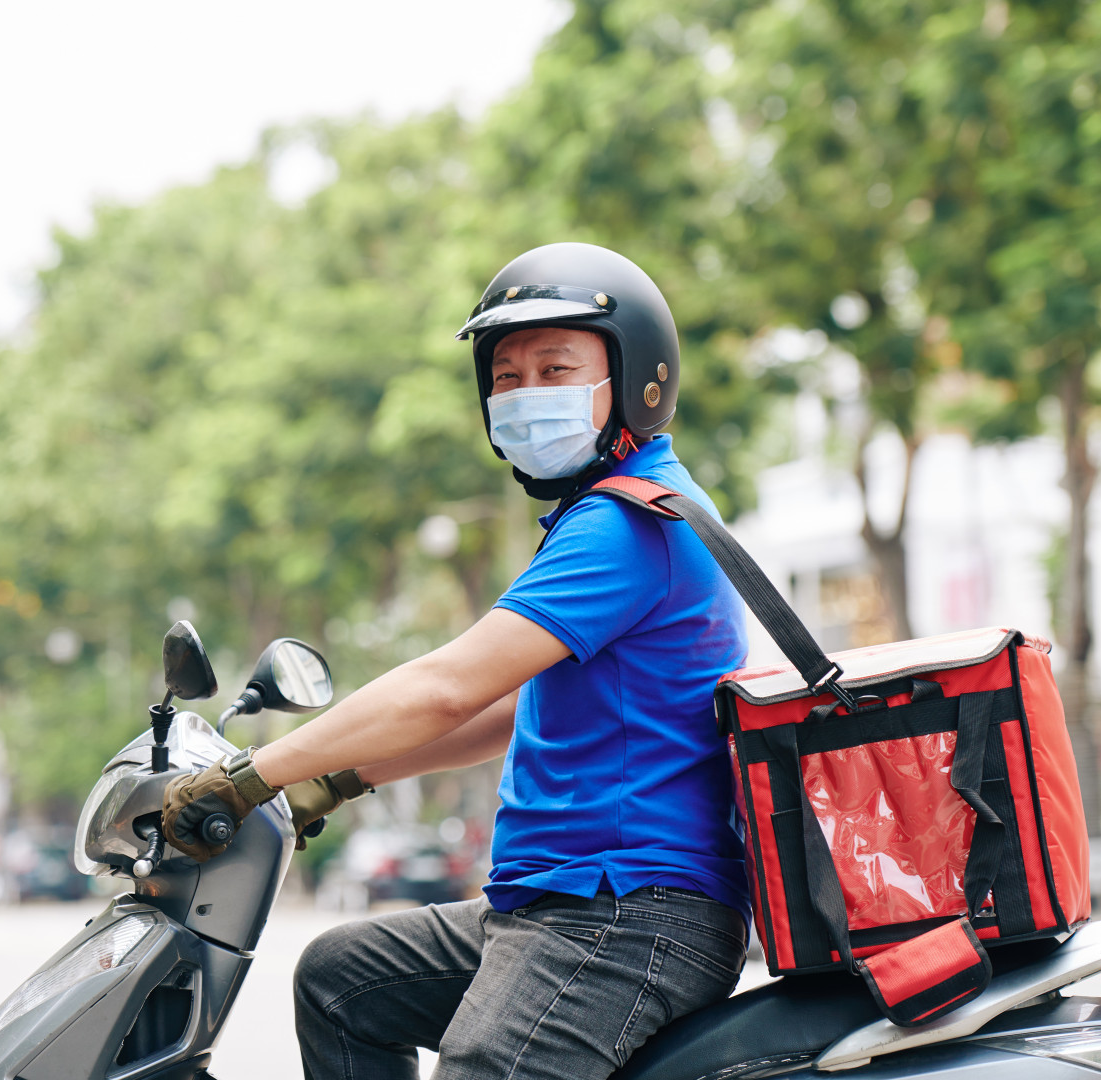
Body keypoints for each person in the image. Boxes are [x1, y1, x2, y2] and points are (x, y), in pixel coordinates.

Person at [162, 243, 752, 1080]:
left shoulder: (625, 528)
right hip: (558, 903)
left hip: (628, 915)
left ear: (637, 380)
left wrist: (252, 775)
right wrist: (340, 777)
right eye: (506, 378)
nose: (525, 395)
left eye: (556, 368)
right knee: (342, 981)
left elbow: (445, 688)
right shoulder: (598, 516)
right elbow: (508, 710)